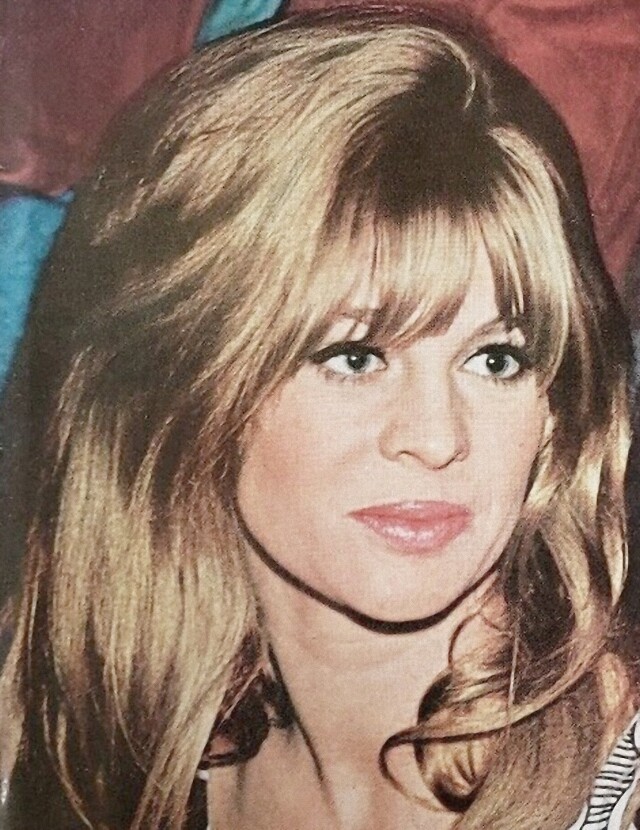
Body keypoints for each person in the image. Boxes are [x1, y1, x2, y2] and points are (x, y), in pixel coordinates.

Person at [1, 8, 638, 829]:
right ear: (188, 384)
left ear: (558, 413)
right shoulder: (55, 745)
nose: (436, 438)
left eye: (496, 360)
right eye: (355, 357)